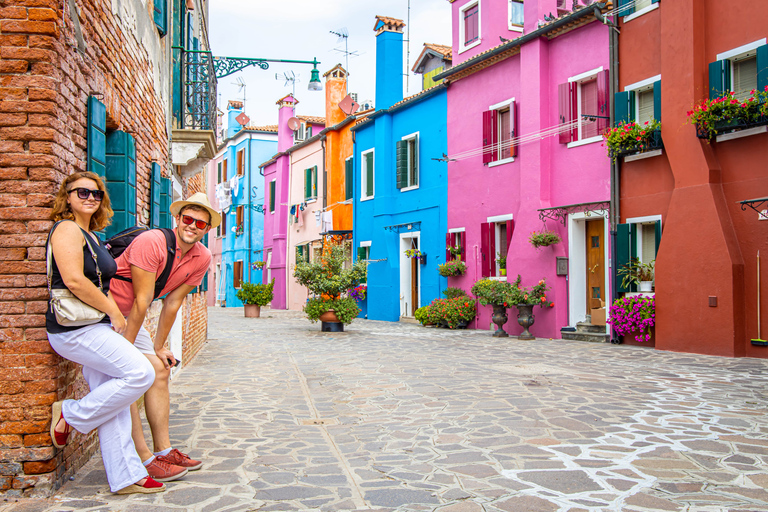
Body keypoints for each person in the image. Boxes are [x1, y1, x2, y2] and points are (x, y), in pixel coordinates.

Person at [46, 171, 164, 495]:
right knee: (140, 373)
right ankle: (70, 414)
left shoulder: (94, 237)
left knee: (112, 397)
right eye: (82, 192)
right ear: (67, 197)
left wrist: (118, 318)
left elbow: (102, 283)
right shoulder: (66, 229)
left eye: (96, 194)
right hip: (73, 329)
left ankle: (125, 475)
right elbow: (73, 280)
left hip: (96, 327)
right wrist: (112, 311)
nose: (90, 198)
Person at [109, 192, 217, 482]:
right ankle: (139, 456)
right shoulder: (152, 241)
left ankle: (163, 450)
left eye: (201, 224)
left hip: (131, 315)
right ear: (178, 219)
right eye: (188, 219)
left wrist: (159, 346)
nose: (193, 226)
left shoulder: (202, 257)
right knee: (131, 371)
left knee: (160, 370)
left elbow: (172, 302)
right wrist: (126, 349)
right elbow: (143, 300)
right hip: (108, 310)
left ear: (207, 229)